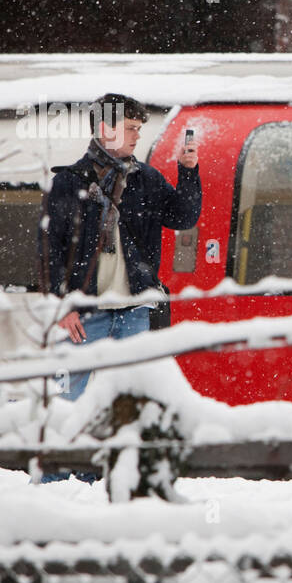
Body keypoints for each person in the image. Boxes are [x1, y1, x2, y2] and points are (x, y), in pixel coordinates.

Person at [41, 93, 201, 401]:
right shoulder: (69, 182)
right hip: (84, 315)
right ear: (106, 129)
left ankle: (121, 449)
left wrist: (188, 171)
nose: (138, 135)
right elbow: (50, 249)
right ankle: (66, 448)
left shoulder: (147, 179)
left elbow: (182, 216)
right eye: (131, 127)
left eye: (139, 128)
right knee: (68, 397)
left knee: (133, 396)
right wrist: (62, 305)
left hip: (135, 311)